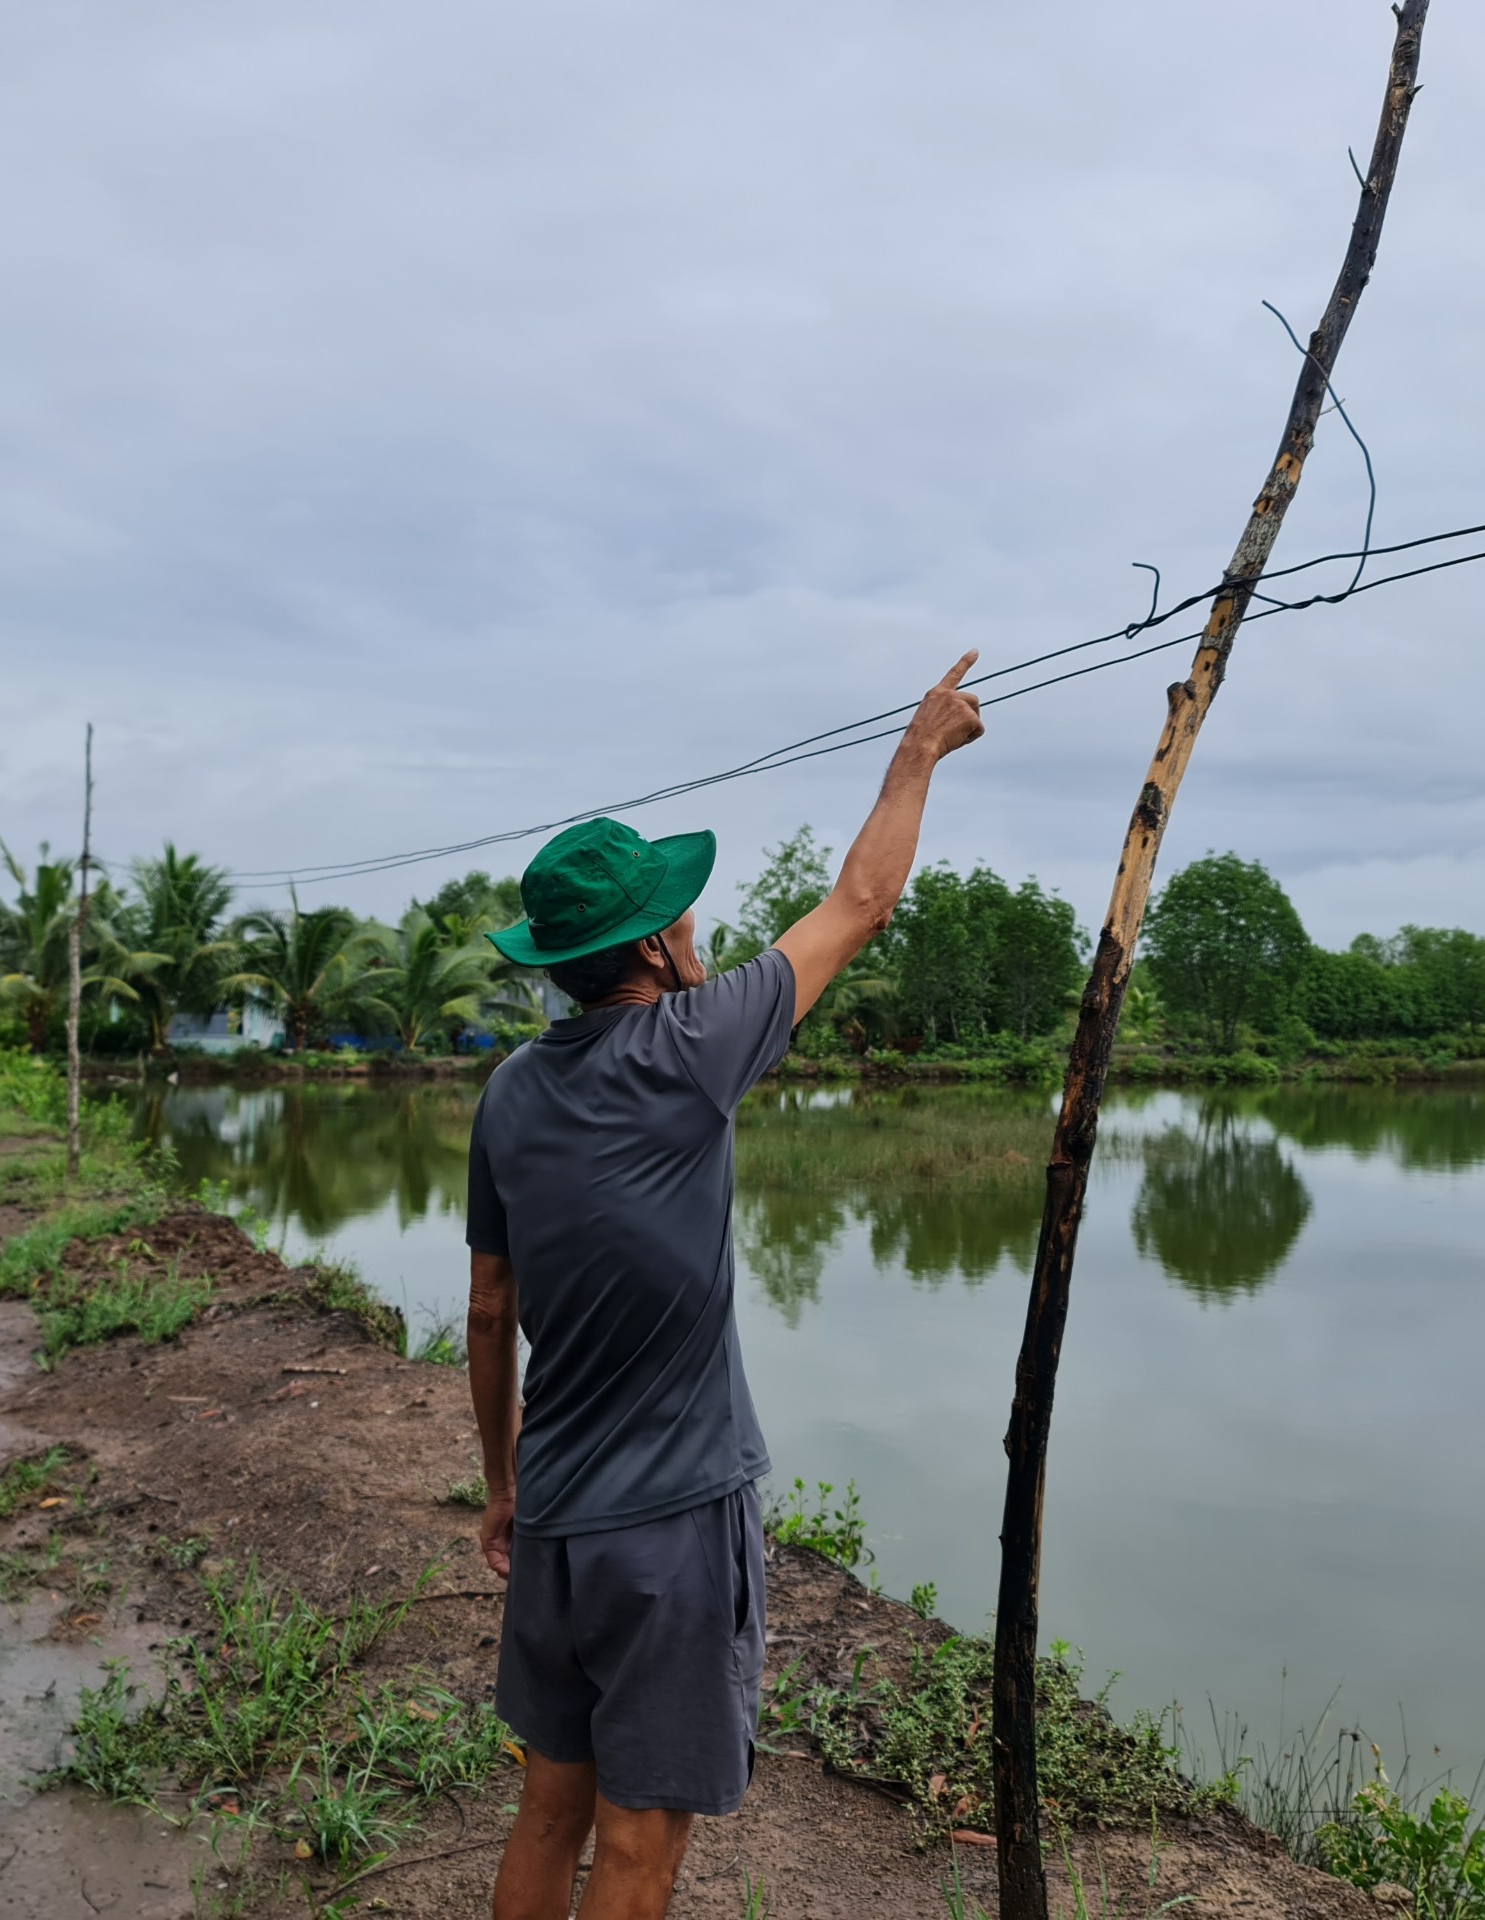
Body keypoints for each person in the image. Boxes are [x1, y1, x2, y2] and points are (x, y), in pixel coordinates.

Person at [465, 651, 987, 1919]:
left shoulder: (510, 1091)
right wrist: (916, 754)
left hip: (557, 1522)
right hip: (673, 1529)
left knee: (547, 1813)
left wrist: (500, 1483)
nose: (700, 924)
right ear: (649, 943)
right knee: (640, 1845)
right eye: (682, 912)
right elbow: (860, 903)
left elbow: (490, 1310)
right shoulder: (693, 1050)